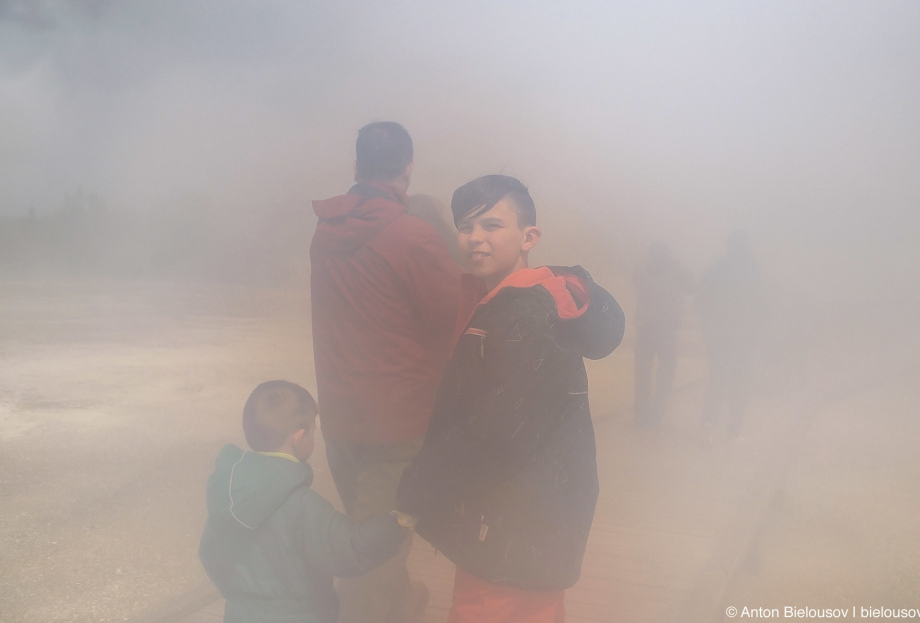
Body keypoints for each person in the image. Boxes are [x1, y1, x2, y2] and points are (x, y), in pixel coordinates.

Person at [395, 175, 625, 623]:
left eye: (492, 225)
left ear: (529, 236)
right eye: (466, 227)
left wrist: (417, 489)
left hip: (516, 527)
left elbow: (498, 430)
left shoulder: (526, 313)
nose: (476, 238)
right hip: (522, 520)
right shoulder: (519, 302)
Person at [309, 122, 462, 623]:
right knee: (374, 550)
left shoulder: (325, 232)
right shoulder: (414, 236)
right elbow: (448, 321)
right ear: (409, 170)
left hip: (339, 417)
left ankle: (399, 604)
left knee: (365, 531)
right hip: (395, 424)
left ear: (355, 169)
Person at [198, 381, 411, 623]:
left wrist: (243, 598)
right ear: (299, 437)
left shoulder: (228, 497)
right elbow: (348, 551)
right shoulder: (304, 506)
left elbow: (209, 554)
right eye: (312, 429)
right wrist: (394, 525)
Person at [697, 231, 764, 439]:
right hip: (744, 336)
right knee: (739, 380)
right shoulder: (753, 269)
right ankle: (735, 424)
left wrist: (707, 325)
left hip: (719, 335)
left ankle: (709, 423)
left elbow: (702, 298)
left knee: (717, 379)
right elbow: (762, 304)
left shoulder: (718, 268)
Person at [632, 242, 693, 428]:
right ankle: (657, 414)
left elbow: (635, 281)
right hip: (667, 330)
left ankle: (642, 416)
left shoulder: (641, 272)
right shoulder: (677, 272)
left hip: (645, 329)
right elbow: (691, 288)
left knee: (642, 375)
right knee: (665, 375)